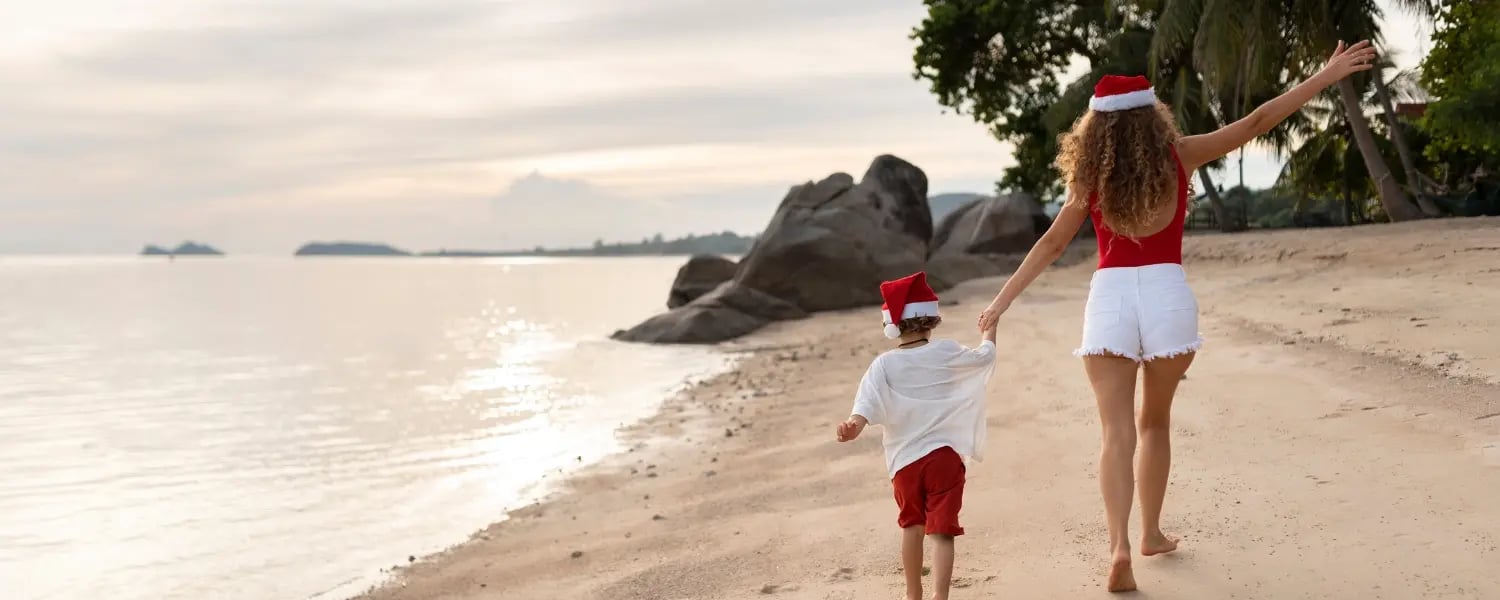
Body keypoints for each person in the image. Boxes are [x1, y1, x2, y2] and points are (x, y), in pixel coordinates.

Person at [974, 41, 1380, 592]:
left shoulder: (1089, 178)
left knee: (1115, 431)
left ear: (1095, 129)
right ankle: (1151, 533)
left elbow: (1051, 244)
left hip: (1111, 300)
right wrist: (1325, 75)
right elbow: (1257, 121)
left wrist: (999, 304)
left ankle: (1118, 547)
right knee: (1154, 423)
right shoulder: (1180, 156)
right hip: (1167, 296)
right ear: (1153, 117)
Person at [836, 271, 997, 600]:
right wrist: (989, 328)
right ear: (931, 320)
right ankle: (940, 595)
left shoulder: (883, 365)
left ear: (892, 325)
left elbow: (865, 404)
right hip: (944, 460)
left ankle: (913, 594)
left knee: (912, 526)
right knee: (943, 531)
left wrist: (854, 425)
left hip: (905, 463)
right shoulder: (946, 351)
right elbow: (985, 357)